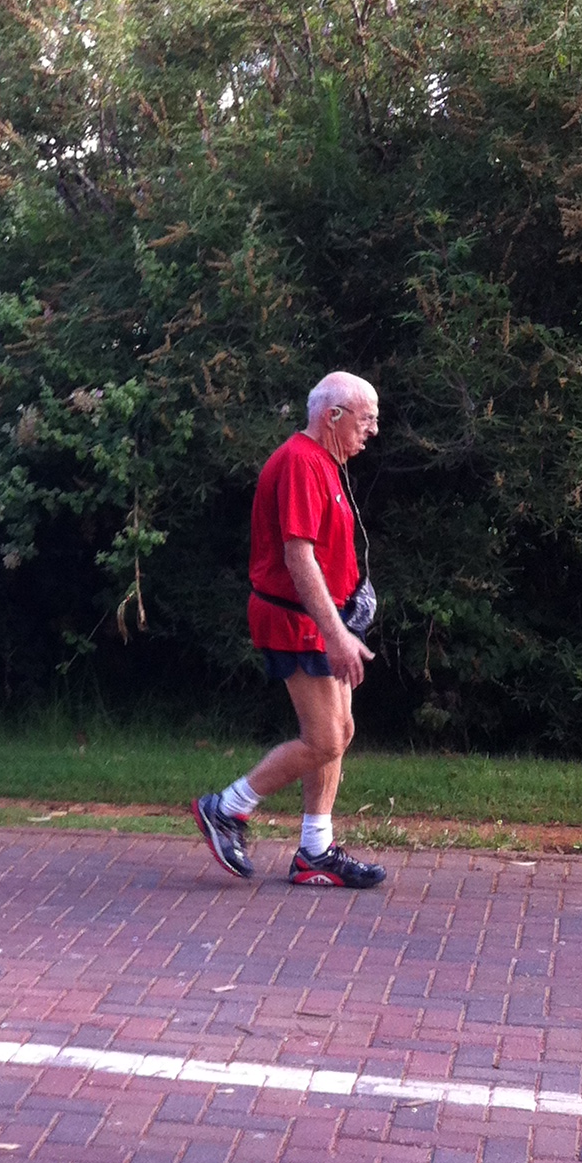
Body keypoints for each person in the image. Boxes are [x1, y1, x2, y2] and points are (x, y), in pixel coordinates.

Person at [192, 371, 388, 891]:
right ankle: (226, 808)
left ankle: (315, 853)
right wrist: (336, 634)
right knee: (323, 738)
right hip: (296, 621)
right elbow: (297, 556)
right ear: (333, 416)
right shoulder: (302, 461)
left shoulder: (327, 461)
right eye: (366, 419)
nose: (372, 430)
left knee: (339, 734)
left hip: (321, 619)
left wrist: (348, 613)